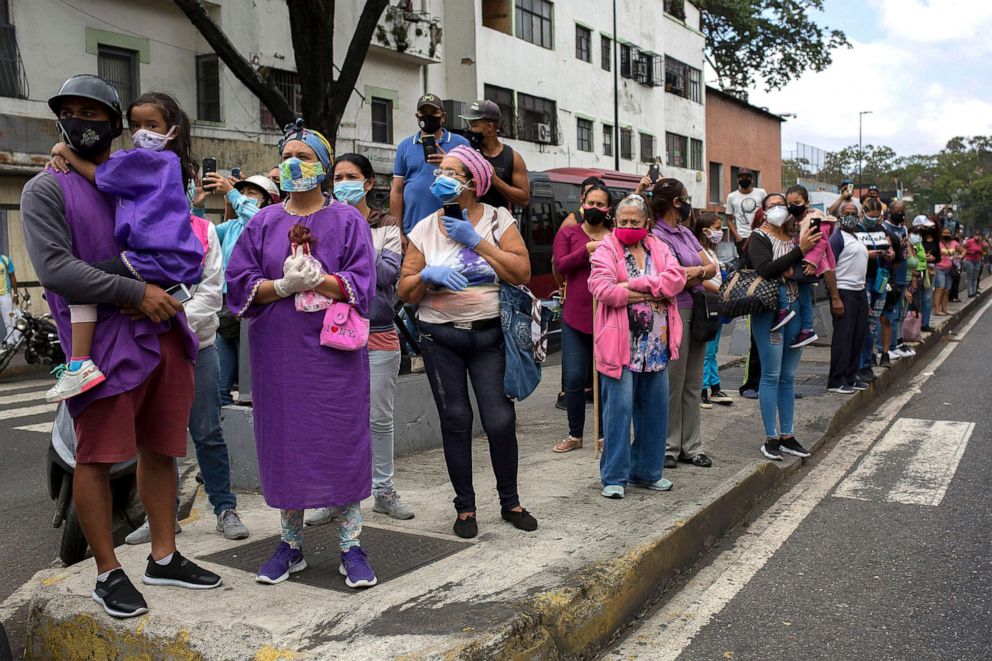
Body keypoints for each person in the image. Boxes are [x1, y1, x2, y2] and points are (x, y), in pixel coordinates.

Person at [22, 74, 221, 619]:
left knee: (162, 450)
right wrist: (137, 291)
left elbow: (182, 245)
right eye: (72, 112)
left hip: (165, 336)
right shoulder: (47, 187)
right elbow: (58, 271)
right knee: (97, 456)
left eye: (94, 112)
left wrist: (169, 296)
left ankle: (164, 553)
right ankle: (107, 572)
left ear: (114, 124)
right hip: (103, 347)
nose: (83, 121)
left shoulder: (141, 178)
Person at [225, 121, 378, 589]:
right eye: (288, 154)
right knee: (287, 443)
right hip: (280, 357)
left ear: (325, 166)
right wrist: (283, 285)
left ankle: (351, 544)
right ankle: (290, 544)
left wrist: (321, 280)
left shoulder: (348, 220)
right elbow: (239, 284)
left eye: (306, 156)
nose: (295, 163)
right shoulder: (263, 222)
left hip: (334, 356)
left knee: (339, 441)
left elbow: (365, 284)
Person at [397, 145, 537, 539]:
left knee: (499, 419)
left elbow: (522, 271)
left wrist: (477, 241)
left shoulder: (498, 218)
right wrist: (427, 275)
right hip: (439, 337)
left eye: (453, 172)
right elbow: (405, 292)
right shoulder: (424, 228)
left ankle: (510, 502)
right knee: (456, 421)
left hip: (488, 336)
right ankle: (465, 509)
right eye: (442, 171)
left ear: (474, 182)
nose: (442, 177)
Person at [44, 91, 204, 403]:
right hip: (165, 258)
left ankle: (79, 364)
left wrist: (64, 149)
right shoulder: (160, 162)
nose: (142, 131)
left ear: (173, 130)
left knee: (81, 284)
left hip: (153, 256)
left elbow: (98, 174)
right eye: (136, 125)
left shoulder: (152, 161)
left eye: (152, 125)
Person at [124, 213, 249, 544]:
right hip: (148, 349)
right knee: (156, 436)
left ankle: (224, 508)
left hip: (199, 347)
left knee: (207, 431)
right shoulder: (132, 223)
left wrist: (166, 320)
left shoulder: (203, 229)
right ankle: (162, 516)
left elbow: (211, 294)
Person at [307, 153, 413, 524]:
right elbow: (311, 270)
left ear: (368, 183)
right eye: (337, 176)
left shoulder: (387, 225)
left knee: (379, 419)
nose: (343, 182)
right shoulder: (320, 220)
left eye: (351, 176)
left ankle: (383, 490)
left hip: (378, 333)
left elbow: (386, 274)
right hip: (331, 333)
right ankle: (337, 493)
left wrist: (351, 239)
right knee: (334, 418)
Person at [589, 194, 689, 498]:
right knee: (618, 411)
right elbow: (602, 289)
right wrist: (653, 289)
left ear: (646, 223)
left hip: (656, 344)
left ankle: (647, 472)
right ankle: (615, 477)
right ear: (615, 222)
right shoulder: (607, 248)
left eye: (634, 221)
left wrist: (631, 287)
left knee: (656, 410)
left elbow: (676, 280)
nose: (628, 226)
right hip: (619, 346)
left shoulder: (659, 247)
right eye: (623, 222)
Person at [746, 192, 821, 460]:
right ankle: (771, 438)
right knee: (771, 375)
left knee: (788, 377)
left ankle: (788, 435)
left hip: (796, 310)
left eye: (782, 204)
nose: (778, 209)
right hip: (770, 314)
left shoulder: (793, 236)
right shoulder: (759, 237)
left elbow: (810, 270)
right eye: (772, 205)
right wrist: (799, 253)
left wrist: (799, 258)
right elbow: (765, 269)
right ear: (763, 210)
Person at [194, 173, 280, 406]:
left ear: (269, 201)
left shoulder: (269, 222)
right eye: (242, 192)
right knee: (219, 386)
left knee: (251, 389)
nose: (244, 197)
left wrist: (231, 193)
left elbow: (257, 221)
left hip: (253, 308)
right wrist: (198, 206)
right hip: (224, 307)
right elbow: (201, 237)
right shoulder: (230, 227)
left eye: (252, 193)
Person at [650, 179, 717, 469]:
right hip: (674, 311)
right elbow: (671, 276)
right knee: (673, 382)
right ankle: (669, 447)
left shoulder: (686, 233)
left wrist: (696, 272)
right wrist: (698, 272)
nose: (689, 202)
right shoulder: (655, 235)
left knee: (693, 381)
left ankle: (692, 446)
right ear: (676, 202)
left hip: (698, 310)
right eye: (686, 198)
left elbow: (712, 266)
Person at [551, 182, 611, 453]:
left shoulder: (614, 236)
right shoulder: (569, 233)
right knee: (574, 379)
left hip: (608, 317)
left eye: (600, 204)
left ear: (608, 209)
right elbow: (561, 264)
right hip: (575, 317)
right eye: (591, 203)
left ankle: (603, 435)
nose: (595, 208)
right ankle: (575, 434)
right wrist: (586, 251)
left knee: (605, 378)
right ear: (582, 204)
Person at [391, 93, 469, 234]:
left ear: (443, 116)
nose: (428, 116)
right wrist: (398, 231)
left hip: (451, 227)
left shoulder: (461, 144)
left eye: (434, 112)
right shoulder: (405, 146)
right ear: (417, 116)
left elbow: (473, 182)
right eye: (424, 112)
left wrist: (451, 161)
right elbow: (397, 190)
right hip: (413, 229)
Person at [775, 185, 835, 349]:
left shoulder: (815, 218)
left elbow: (820, 241)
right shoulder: (793, 220)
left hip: (808, 264)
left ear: (807, 203)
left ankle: (803, 325)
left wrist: (811, 261)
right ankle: (802, 325)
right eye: (789, 203)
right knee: (802, 296)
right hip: (798, 259)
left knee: (798, 293)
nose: (792, 206)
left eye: (797, 202)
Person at [826, 203, 870, 394]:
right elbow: (829, 268)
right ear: (840, 216)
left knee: (857, 336)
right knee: (843, 337)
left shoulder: (856, 237)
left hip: (859, 292)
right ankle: (836, 380)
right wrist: (835, 297)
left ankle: (851, 376)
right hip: (844, 291)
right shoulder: (836, 238)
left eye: (854, 214)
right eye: (847, 214)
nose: (850, 217)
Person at [692, 212, 733, 408]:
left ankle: (715, 386)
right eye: (716, 228)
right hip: (707, 302)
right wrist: (721, 291)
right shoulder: (698, 251)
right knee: (707, 350)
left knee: (713, 349)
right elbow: (703, 279)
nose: (719, 232)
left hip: (715, 303)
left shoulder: (711, 251)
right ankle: (703, 390)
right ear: (704, 230)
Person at [460, 99, 530, 211]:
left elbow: (524, 200)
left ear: (489, 127)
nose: (469, 130)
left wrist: (494, 179)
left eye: (474, 125)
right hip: (469, 222)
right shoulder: (467, 152)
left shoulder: (512, 158)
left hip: (497, 224)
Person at [855, 198, 895, 381]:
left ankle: (867, 363)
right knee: (864, 321)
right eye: (871, 217)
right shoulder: (855, 230)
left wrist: (890, 254)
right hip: (863, 280)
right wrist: (866, 254)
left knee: (872, 324)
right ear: (863, 213)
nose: (874, 220)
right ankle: (861, 364)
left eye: (877, 217)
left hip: (881, 279)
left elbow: (890, 249)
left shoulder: (881, 230)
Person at [880, 201, 916, 361]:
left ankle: (895, 345)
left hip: (903, 276)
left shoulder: (904, 228)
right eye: (897, 211)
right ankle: (884, 347)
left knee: (899, 314)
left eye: (903, 211)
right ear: (891, 211)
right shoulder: (885, 228)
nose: (900, 214)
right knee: (889, 314)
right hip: (890, 275)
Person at [725, 168, 767, 251]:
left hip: (759, 235)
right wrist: (737, 236)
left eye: (747, 177)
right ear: (737, 180)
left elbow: (768, 212)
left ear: (752, 180)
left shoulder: (761, 193)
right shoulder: (731, 196)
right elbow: (729, 219)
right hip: (742, 237)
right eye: (741, 177)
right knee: (744, 262)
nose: (744, 179)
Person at [934, 226, 961, 316]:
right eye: (944, 233)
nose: (946, 234)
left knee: (947, 290)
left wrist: (960, 256)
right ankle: (937, 310)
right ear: (941, 234)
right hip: (939, 268)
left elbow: (963, 250)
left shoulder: (954, 243)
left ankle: (945, 309)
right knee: (939, 289)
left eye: (948, 233)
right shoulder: (938, 243)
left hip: (950, 270)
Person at [0, 251, 19, 347]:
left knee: (9, 320)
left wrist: (15, 294)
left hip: (4, 295)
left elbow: (12, 277)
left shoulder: (5, 260)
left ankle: (11, 343)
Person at [963, 229, 984, 298]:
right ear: (974, 235)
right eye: (976, 235)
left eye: (979, 235)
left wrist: (981, 252)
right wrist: (970, 252)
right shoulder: (969, 241)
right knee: (970, 277)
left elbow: (983, 250)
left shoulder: (981, 242)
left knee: (975, 277)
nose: (978, 236)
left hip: (978, 260)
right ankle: (970, 292)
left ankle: (974, 291)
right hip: (970, 260)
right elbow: (963, 249)